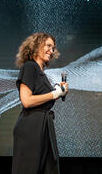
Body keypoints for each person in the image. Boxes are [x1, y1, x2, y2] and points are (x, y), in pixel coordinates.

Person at [12, 32, 68, 174]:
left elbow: (43, 98)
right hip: (31, 126)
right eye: (48, 46)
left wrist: (58, 91)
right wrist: (54, 93)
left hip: (43, 124)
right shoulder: (30, 67)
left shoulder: (40, 72)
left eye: (53, 47)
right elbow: (26, 101)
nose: (52, 50)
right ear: (36, 46)